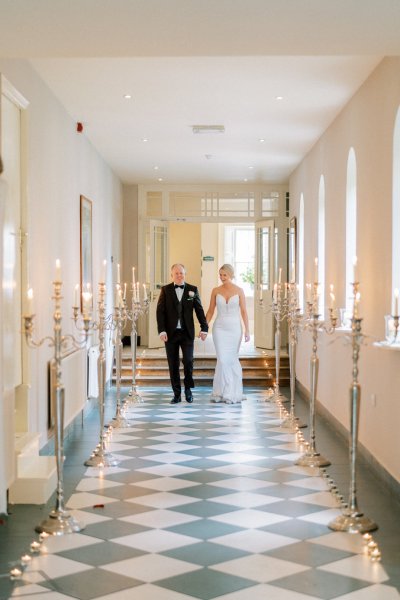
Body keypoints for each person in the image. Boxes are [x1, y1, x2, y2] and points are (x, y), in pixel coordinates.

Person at [156, 263, 208, 404]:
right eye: (177, 273)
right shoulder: (165, 290)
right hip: (170, 334)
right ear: (172, 275)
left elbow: (199, 310)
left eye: (182, 273)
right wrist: (161, 330)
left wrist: (204, 328)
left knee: (188, 362)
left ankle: (188, 390)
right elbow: (160, 312)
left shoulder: (192, 290)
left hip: (187, 333)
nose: (179, 275)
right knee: (173, 364)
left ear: (185, 274)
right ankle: (177, 394)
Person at [205, 263, 250, 404]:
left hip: (235, 329)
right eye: (220, 274)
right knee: (222, 359)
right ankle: (221, 391)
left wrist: (247, 330)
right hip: (219, 328)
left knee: (231, 359)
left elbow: (243, 311)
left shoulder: (239, 290)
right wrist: (204, 327)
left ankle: (231, 392)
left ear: (231, 275)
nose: (222, 277)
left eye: (225, 274)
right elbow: (211, 310)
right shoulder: (215, 290)